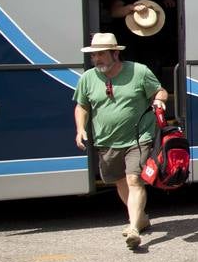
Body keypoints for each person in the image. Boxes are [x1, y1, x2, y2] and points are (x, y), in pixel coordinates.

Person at [72, 32, 169, 250]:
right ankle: (140, 217)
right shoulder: (87, 78)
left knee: (134, 180)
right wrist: (80, 129)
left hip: (139, 137)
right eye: (93, 55)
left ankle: (134, 228)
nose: (96, 59)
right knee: (120, 181)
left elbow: (160, 91)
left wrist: (159, 102)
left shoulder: (139, 71)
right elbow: (82, 106)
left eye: (101, 54)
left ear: (115, 53)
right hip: (107, 140)